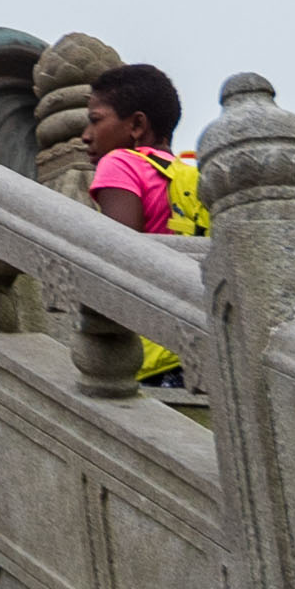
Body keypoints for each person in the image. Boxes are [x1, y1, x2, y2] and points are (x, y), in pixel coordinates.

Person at [81, 64, 199, 385]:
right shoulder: (194, 177)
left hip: (151, 355)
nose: (86, 135)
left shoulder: (120, 163)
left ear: (136, 125)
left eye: (95, 120)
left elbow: (119, 254)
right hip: (200, 351)